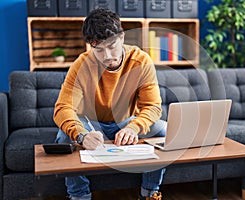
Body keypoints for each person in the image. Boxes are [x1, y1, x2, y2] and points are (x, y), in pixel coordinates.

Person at [53, 8, 166, 200]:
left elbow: (153, 107)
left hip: (126, 123)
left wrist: (134, 128)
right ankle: (79, 196)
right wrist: (82, 136)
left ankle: (149, 193)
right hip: (91, 125)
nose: (107, 56)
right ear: (91, 46)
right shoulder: (81, 65)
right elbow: (63, 108)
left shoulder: (140, 61)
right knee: (65, 135)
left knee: (163, 129)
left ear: (122, 37)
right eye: (99, 49)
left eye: (112, 46)